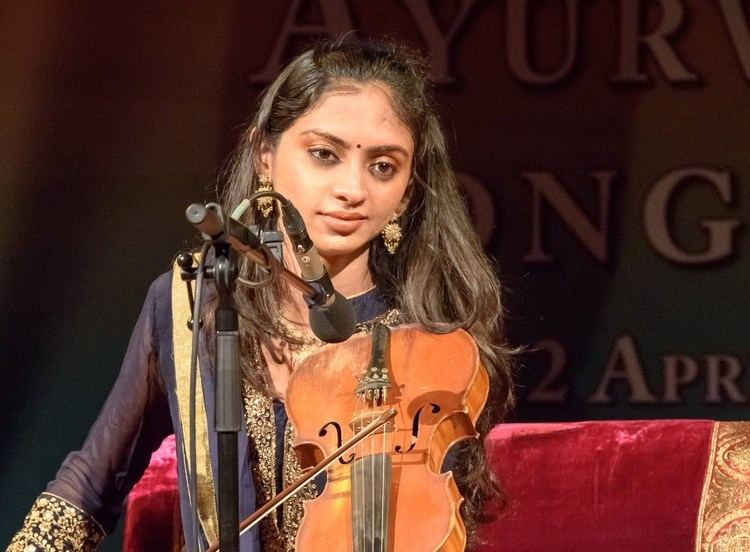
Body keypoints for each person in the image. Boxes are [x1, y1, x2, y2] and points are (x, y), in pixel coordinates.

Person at [7, 38, 514, 552]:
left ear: (406, 190)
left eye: (383, 166)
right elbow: (90, 487)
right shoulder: (191, 304)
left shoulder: (425, 345)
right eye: (324, 154)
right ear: (264, 156)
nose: (352, 189)